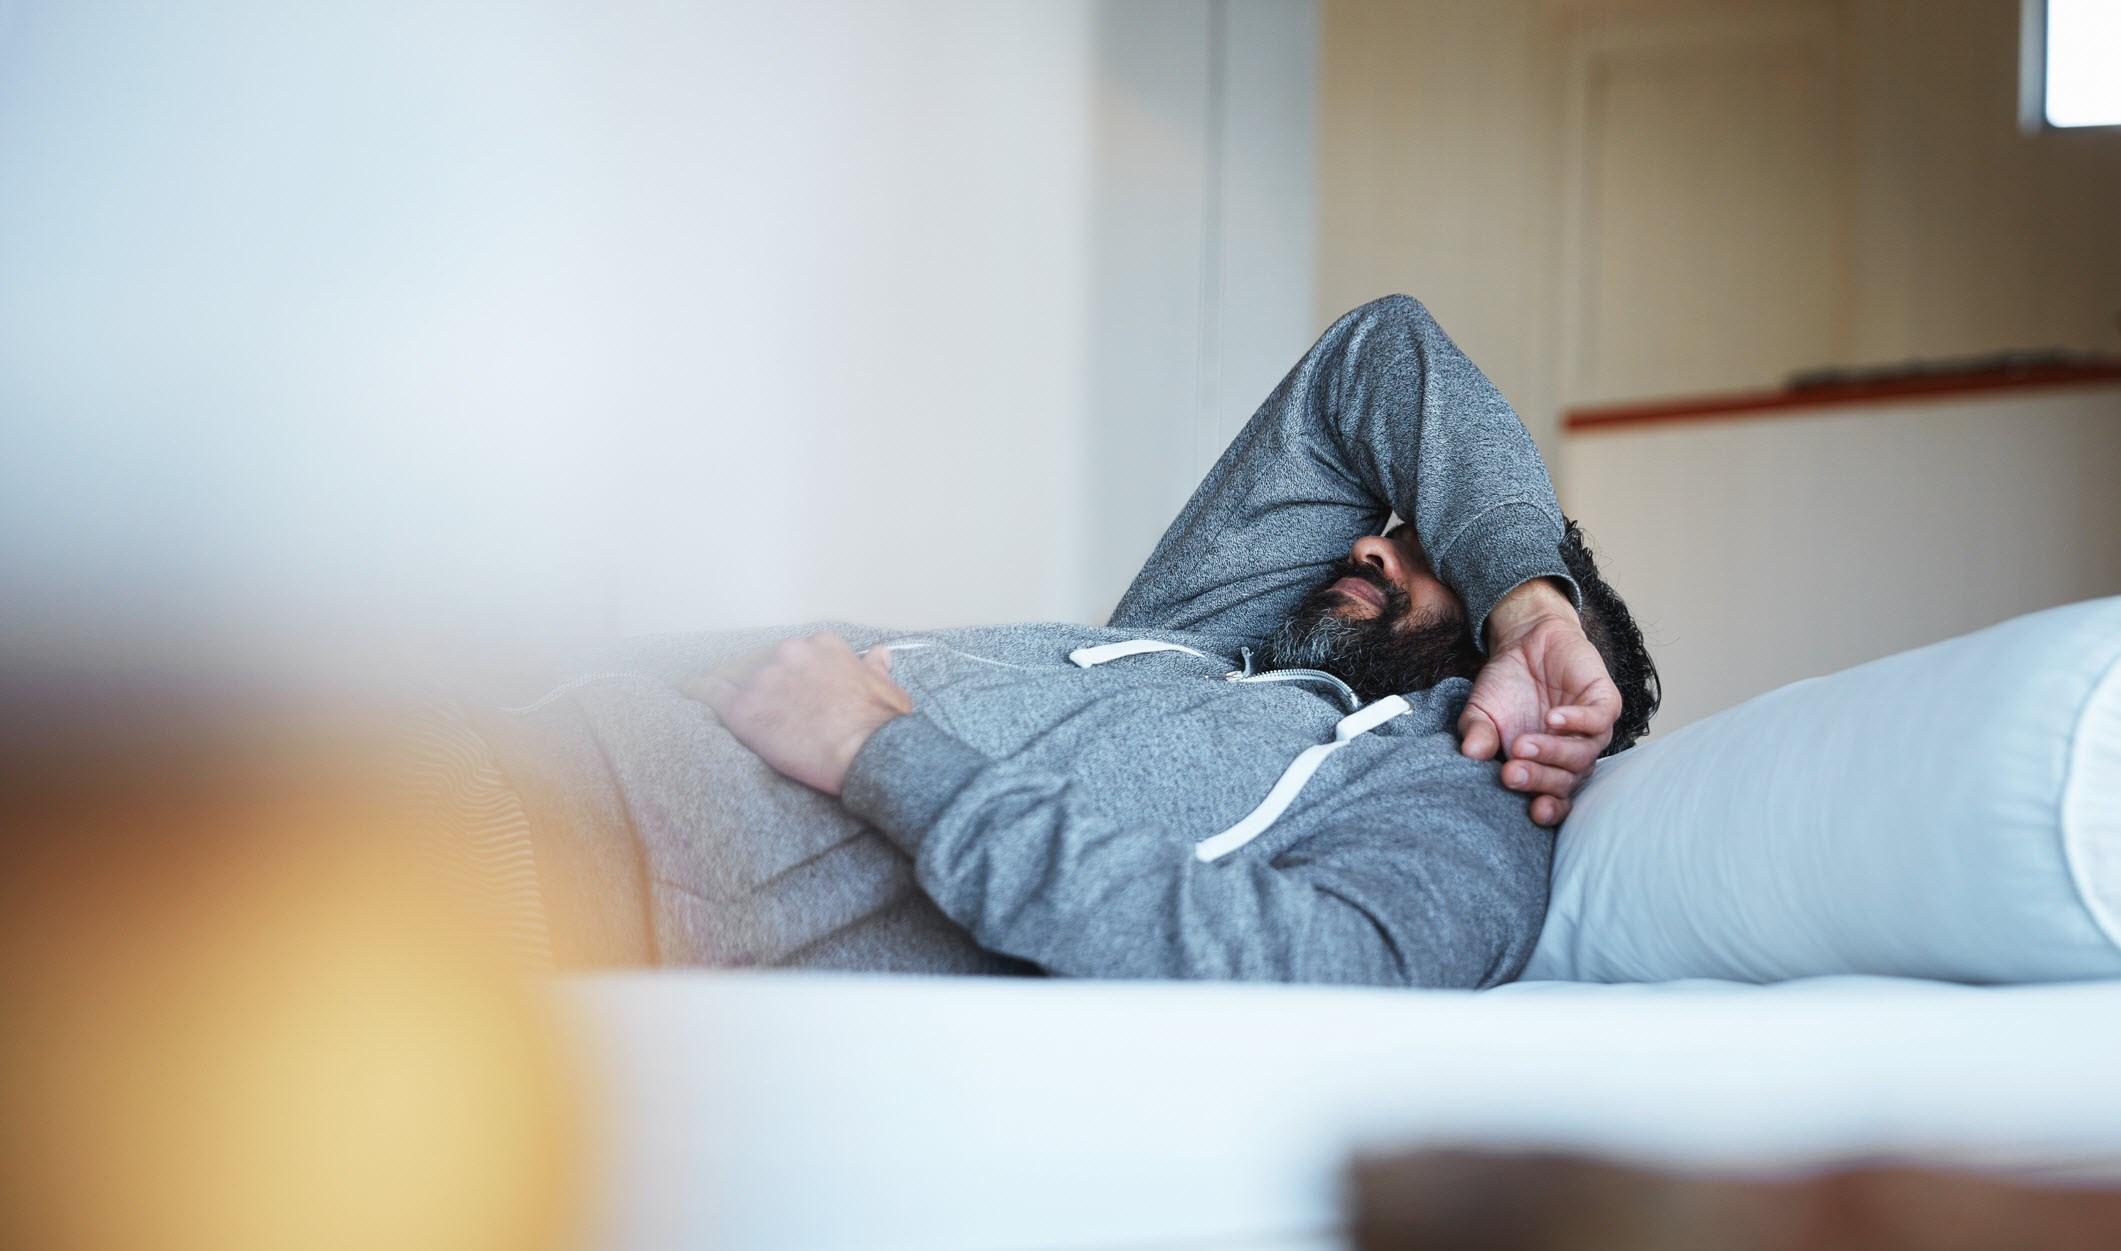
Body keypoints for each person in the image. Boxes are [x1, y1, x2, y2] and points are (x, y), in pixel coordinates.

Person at [463, 295, 1658, 985]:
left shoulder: (1454, 814)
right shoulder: (1214, 651)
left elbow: (1296, 967)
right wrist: (1527, 596)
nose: (1370, 551)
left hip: (571, 861)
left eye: (1425, 558)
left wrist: (880, 750)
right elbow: (1378, 354)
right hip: (521, 729)